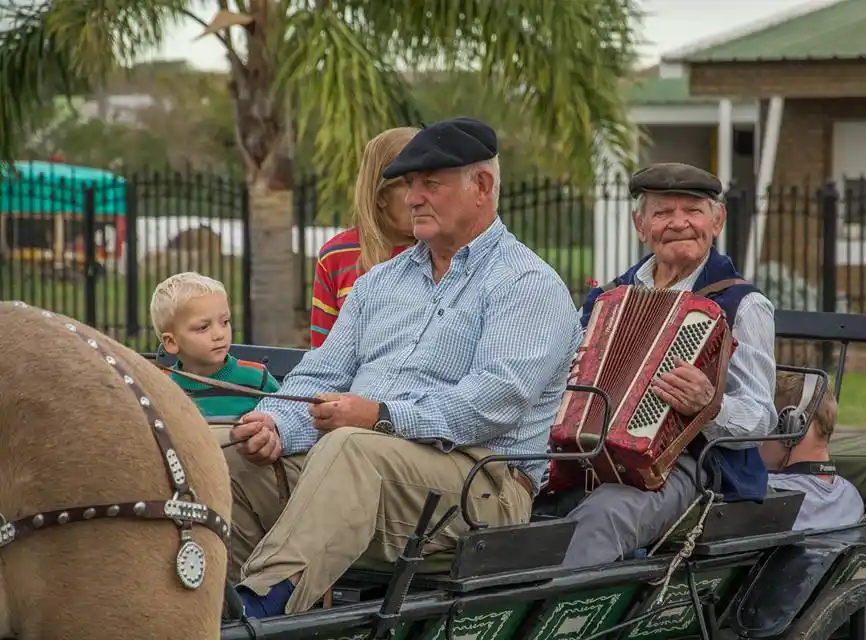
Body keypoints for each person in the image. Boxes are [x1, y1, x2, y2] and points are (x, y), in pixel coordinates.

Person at [225, 116, 583, 617]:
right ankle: (220, 607)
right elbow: (319, 376)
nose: (413, 197)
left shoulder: (526, 284)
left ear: (482, 186)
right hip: (366, 473)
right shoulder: (380, 283)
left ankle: (262, 610)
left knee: (352, 446)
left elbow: (493, 403)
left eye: (429, 184)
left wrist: (380, 417)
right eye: (409, 184)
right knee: (228, 453)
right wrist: (275, 424)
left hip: (483, 484)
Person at [557, 162, 778, 568]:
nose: (679, 223)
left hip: (694, 465)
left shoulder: (743, 305)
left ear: (717, 221)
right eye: (662, 213)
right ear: (640, 225)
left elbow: (762, 419)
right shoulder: (608, 299)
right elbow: (561, 379)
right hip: (589, 454)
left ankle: (559, 609)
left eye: (692, 211)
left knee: (604, 515)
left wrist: (709, 406)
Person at [310, 127, 419, 348]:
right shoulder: (335, 256)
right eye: (409, 184)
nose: (421, 196)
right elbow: (321, 351)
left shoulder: (445, 252)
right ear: (380, 196)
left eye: (430, 182)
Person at [149, 271, 280, 417]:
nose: (219, 334)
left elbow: (283, 417)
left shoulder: (257, 379)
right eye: (203, 327)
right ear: (172, 342)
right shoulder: (160, 387)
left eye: (225, 322)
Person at [761, 372, 864, 529]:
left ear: (791, 426)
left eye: (762, 425)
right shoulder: (851, 496)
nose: (754, 440)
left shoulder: (767, 496)